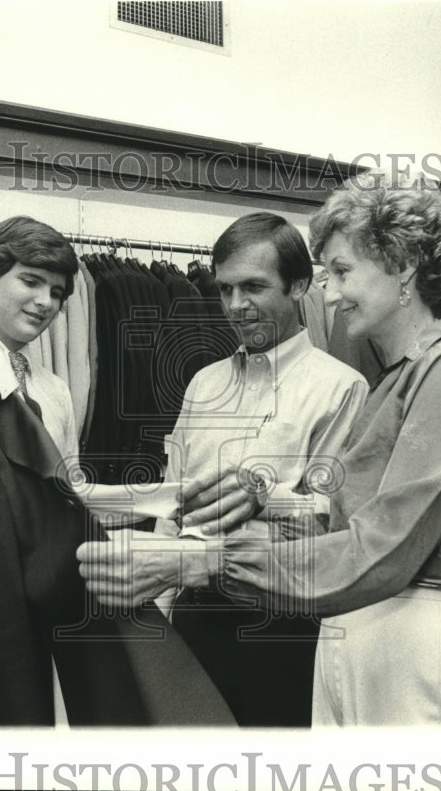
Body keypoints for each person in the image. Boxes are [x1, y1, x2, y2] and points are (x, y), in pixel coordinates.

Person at [79, 176, 441, 726]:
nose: (328, 294)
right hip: (359, 632)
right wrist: (263, 496)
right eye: (327, 275)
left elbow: (382, 549)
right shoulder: (396, 381)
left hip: (413, 642)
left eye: (342, 272)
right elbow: (337, 523)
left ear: (403, 267)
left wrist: (206, 558)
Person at [0, 216, 235, 726]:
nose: (44, 303)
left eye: (57, 292)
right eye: (29, 281)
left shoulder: (54, 392)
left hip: (25, 597)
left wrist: (168, 496)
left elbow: (61, 499)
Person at [79, 212, 368, 726]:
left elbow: (333, 524)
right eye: (226, 289)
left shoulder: (341, 388)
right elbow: (173, 506)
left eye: (254, 287)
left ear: (299, 284)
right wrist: (162, 617)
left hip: (281, 623)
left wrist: (263, 495)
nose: (237, 306)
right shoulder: (202, 384)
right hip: (193, 616)